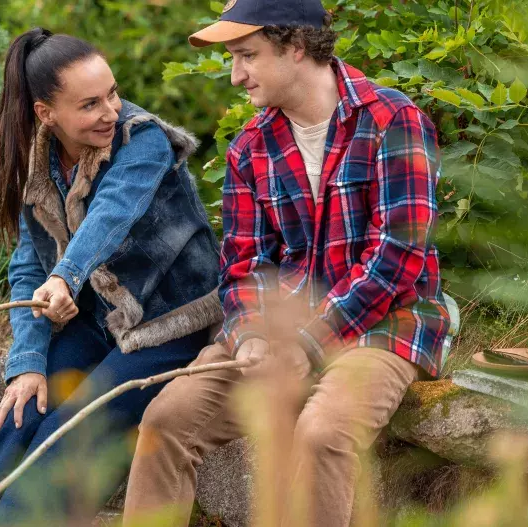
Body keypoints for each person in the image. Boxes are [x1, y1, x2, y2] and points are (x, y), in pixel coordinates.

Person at [123, 1, 451, 525]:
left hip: (385, 322)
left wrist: (308, 343)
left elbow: (398, 256)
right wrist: (251, 331)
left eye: (247, 55)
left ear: (296, 45)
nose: (236, 76)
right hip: (282, 321)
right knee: (165, 422)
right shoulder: (250, 148)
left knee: (322, 435)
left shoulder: (393, 120)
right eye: (233, 58)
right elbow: (244, 263)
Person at [0, 28, 222, 526]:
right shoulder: (37, 157)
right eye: (90, 104)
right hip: (97, 320)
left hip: (169, 324)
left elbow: (110, 215)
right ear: (46, 114)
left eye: (112, 93)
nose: (110, 111)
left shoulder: (144, 141)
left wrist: (67, 277)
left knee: (74, 435)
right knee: (15, 415)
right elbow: (30, 263)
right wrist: (28, 361)